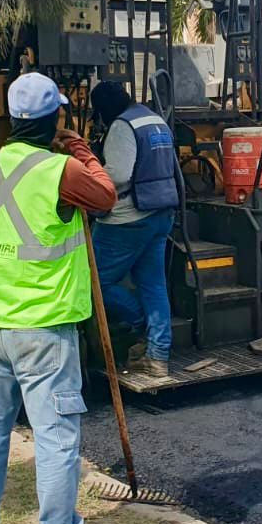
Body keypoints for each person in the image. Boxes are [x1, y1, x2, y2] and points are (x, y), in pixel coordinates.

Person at [0, 72, 117, 524]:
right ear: (56, 119)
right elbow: (106, 196)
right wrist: (82, 150)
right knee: (55, 439)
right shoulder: (59, 170)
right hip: (44, 326)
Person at [87, 80, 181, 378]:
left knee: (92, 282)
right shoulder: (154, 119)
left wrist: (86, 172)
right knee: (153, 285)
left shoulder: (122, 126)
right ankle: (157, 356)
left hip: (127, 220)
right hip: (160, 213)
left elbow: (117, 175)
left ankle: (140, 321)